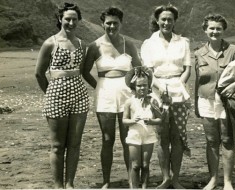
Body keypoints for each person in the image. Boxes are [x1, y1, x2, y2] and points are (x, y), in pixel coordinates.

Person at [82, 6, 141, 188]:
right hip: (104, 95)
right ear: (102, 24)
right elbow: (84, 71)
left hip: (126, 95)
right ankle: (106, 181)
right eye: (108, 23)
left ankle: (132, 180)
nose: (112, 26)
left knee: (127, 139)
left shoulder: (128, 44)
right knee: (107, 139)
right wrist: (99, 87)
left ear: (121, 24)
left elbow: (139, 70)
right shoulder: (94, 46)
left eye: (115, 23)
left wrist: (133, 88)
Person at [194, 13, 235, 190]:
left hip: (226, 100)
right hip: (205, 100)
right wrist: (195, 103)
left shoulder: (234, 50)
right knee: (211, 140)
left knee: (227, 140)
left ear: (223, 30)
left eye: (218, 28)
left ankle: (227, 182)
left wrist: (233, 86)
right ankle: (213, 179)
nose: (215, 31)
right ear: (205, 30)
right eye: (211, 28)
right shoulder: (199, 53)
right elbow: (198, 80)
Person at [35, 3, 89, 189]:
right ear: (60, 19)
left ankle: (70, 184)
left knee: (74, 144)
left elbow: (81, 71)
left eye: (74, 19)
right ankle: (58, 186)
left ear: (78, 20)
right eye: (67, 19)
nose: (71, 22)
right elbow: (39, 74)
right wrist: (52, 94)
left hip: (79, 95)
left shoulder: (82, 44)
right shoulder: (50, 43)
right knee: (58, 146)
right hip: (56, 95)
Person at [140, 4, 192, 189]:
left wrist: (180, 84)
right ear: (157, 21)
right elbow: (148, 72)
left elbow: (187, 69)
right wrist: (160, 89)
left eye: (170, 19)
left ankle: (175, 179)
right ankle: (165, 179)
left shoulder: (183, 42)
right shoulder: (149, 44)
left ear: (175, 21)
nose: (167, 22)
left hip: (179, 91)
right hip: (156, 91)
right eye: (163, 19)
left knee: (177, 136)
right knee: (162, 137)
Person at [123, 66, 162, 189]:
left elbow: (160, 119)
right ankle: (134, 187)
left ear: (149, 85)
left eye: (145, 85)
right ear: (134, 86)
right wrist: (132, 121)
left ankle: (144, 187)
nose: (142, 88)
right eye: (139, 86)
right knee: (135, 165)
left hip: (148, 136)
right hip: (134, 136)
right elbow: (124, 120)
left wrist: (151, 121)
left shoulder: (153, 101)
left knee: (145, 165)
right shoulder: (129, 102)